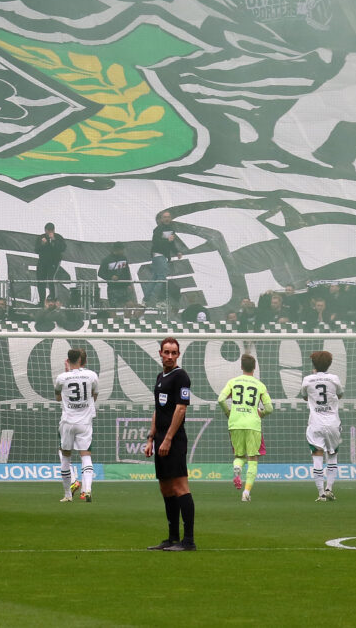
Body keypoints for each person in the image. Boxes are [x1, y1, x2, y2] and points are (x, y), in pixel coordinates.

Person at [144, 336, 195, 550]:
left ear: (178, 354)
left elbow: (180, 409)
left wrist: (168, 439)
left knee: (180, 486)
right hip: (160, 439)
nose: (170, 356)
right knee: (165, 488)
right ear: (160, 353)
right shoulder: (160, 377)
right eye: (167, 352)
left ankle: (188, 541)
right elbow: (158, 409)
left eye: (174, 352)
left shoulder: (181, 377)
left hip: (173, 440)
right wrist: (150, 438)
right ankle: (172, 538)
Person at [217, 353, 271, 502]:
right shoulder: (259, 385)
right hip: (253, 424)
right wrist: (262, 413)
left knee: (239, 456)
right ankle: (246, 493)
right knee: (253, 458)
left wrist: (228, 412)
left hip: (235, 422)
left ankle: (238, 468)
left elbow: (221, 399)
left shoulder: (233, 382)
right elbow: (270, 408)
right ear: (254, 367)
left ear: (241, 367)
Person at [54, 347, 99, 502]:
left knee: (65, 456)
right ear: (82, 360)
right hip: (85, 422)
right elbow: (94, 396)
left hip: (67, 422)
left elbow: (58, 398)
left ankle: (67, 495)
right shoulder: (92, 375)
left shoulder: (61, 378)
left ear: (68, 360)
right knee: (85, 455)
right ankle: (87, 490)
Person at [300, 349, 344, 502]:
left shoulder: (307, 380)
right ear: (329, 364)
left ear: (314, 364)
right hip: (332, 422)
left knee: (317, 455)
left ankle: (321, 494)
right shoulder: (334, 379)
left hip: (316, 423)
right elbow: (340, 394)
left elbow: (305, 397)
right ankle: (329, 489)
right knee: (332, 455)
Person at [148, 210, 182, 312]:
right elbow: (156, 242)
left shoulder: (171, 230)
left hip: (164, 256)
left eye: (168, 217)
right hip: (158, 255)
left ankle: (146, 299)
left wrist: (177, 252)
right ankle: (159, 300)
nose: (167, 219)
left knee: (156, 278)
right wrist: (168, 240)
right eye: (165, 217)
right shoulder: (158, 229)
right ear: (161, 219)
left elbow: (171, 244)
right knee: (162, 277)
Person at [33, 222, 66, 307]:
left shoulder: (58, 237)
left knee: (51, 280)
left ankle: (53, 301)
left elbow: (63, 248)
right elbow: (36, 250)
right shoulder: (41, 238)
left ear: (54, 230)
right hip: (42, 262)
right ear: (45, 230)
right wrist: (42, 244)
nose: (49, 233)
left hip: (54, 263)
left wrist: (54, 239)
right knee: (40, 281)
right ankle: (42, 301)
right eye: (48, 231)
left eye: (51, 231)